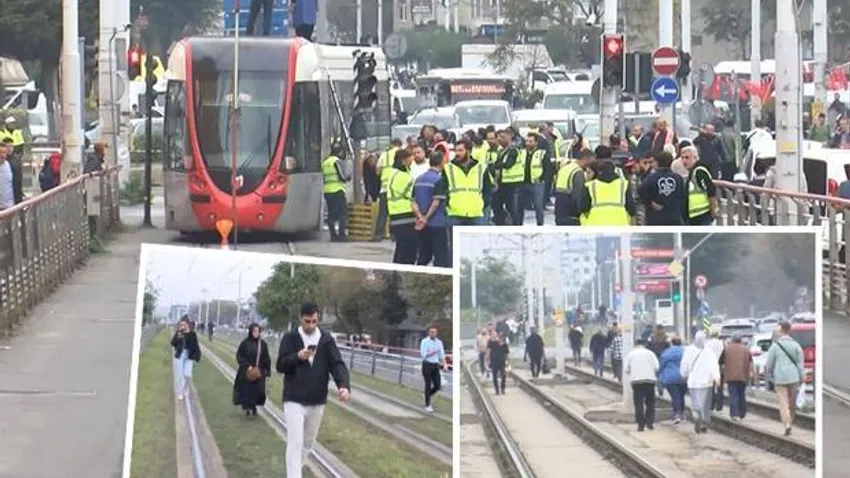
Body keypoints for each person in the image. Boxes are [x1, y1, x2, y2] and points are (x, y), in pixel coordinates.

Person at [277, 302, 350, 478]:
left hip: (317, 399)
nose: (310, 325)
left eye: (314, 321)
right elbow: (281, 365)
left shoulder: (326, 340)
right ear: (300, 318)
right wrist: (297, 357)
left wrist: (343, 385)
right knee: (295, 442)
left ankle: (295, 470)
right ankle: (293, 475)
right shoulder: (290, 338)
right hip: (294, 398)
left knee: (308, 443)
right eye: (307, 321)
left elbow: (337, 364)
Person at [765, 321, 805, 436]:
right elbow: (800, 362)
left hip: (780, 378)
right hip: (794, 377)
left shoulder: (775, 346)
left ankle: (787, 424)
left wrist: (770, 374)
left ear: (781, 330)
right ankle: (791, 422)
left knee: (783, 403)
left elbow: (769, 364)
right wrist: (802, 376)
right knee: (792, 402)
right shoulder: (796, 345)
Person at [412, 151, 449, 267]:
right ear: (442, 162)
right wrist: (426, 218)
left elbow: (413, 202)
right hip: (437, 224)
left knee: (423, 256)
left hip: (421, 225)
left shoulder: (418, 179)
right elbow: (436, 202)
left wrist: (420, 217)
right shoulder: (439, 180)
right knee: (441, 258)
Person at [680, 331, 721, 434]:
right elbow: (714, 366)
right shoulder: (709, 351)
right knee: (705, 404)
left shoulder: (688, 350)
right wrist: (717, 377)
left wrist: (683, 374)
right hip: (706, 382)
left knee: (695, 403)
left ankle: (696, 415)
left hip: (693, 382)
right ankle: (704, 421)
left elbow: (684, 365)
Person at [578, 159, 636, 226]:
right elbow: (631, 208)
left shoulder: (590, 186)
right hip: (619, 224)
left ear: (599, 171)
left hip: (595, 224)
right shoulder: (624, 184)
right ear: (614, 170)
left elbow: (583, 207)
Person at [638, 150, 686, 225]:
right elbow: (683, 197)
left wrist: (650, 203)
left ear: (657, 163)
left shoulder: (651, 178)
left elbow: (640, 191)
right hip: (675, 218)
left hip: (656, 219)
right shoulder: (678, 178)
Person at [386, 149, 417, 264]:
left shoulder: (392, 173)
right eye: (410, 157)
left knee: (400, 249)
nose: (412, 160)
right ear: (404, 160)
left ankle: (395, 275)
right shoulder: (404, 177)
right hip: (406, 215)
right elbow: (412, 197)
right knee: (408, 251)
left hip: (394, 215)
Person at [233, 323, 272, 416]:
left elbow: (266, 358)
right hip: (246, 371)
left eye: (258, 331)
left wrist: (268, 370)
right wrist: (247, 365)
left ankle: (253, 406)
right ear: (251, 331)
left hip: (259, 371)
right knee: (247, 390)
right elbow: (239, 355)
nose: (256, 333)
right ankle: (247, 408)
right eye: (254, 331)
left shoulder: (262, 344)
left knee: (258, 390)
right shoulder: (245, 343)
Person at [625, 338, 660, 431]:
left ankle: (641, 425)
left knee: (638, 403)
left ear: (635, 344)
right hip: (649, 381)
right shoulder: (650, 353)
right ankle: (650, 423)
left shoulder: (631, 354)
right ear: (644, 344)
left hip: (636, 382)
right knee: (650, 402)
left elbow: (626, 369)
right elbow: (657, 367)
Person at [719, 334, 754, 421]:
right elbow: (751, 360)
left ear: (732, 340)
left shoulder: (727, 349)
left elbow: (720, 361)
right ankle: (742, 413)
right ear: (740, 340)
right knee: (742, 394)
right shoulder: (746, 349)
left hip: (731, 376)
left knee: (733, 395)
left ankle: (734, 414)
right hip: (743, 376)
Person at [553, 148, 593, 225]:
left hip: (559, 208)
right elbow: (579, 195)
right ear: (585, 158)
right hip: (571, 212)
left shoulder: (565, 168)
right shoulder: (578, 172)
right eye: (590, 161)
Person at [373, 139, 402, 241]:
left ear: (392, 144)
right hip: (398, 188)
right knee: (395, 213)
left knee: (383, 213)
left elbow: (377, 170)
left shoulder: (384, 155)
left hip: (384, 188)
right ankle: (394, 234)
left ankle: (378, 235)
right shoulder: (402, 154)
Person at [680, 145, 717, 225]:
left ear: (695, 158)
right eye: (682, 158)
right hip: (693, 217)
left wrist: (713, 212)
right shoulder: (692, 172)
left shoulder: (699, 172)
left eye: (687, 158)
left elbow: (711, 192)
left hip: (702, 217)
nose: (684, 161)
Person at [493, 129, 523, 225]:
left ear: (509, 137)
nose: (499, 139)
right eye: (498, 137)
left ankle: (515, 226)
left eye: (502, 137)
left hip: (513, 184)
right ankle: (502, 222)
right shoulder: (501, 151)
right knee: (496, 205)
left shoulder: (513, 150)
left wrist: (496, 164)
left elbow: (508, 164)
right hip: (502, 183)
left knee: (512, 208)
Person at [321, 142, 350, 242]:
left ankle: (333, 235)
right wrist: (348, 177)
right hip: (337, 190)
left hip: (327, 191)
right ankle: (342, 235)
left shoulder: (325, 163)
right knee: (343, 213)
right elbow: (342, 176)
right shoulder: (336, 161)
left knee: (331, 214)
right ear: (340, 152)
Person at [170, 316, 201, 400]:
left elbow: (196, 346)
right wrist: (178, 335)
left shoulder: (192, 334)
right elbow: (173, 343)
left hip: (189, 356)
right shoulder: (179, 333)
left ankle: (185, 387)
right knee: (179, 375)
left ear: (188, 324)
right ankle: (180, 392)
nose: (183, 326)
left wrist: (197, 357)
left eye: (184, 324)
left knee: (187, 374)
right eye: (181, 324)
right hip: (180, 355)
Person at [419, 325, 447, 413]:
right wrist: (433, 352)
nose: (433, 333)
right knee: (428, 384)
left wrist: (445, 364)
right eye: (431, 332)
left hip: (435, 365)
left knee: (438, 385)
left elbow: (441, 354)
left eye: (434, 332)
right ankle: (427, 405)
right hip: (427, 364)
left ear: (436, 333)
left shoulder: (439, 343)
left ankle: (427, 395)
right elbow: (423, 355)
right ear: (429, 333)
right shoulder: (424, 342)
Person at [659, 335, 686, 423]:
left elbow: (661, 366)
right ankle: (681, 413)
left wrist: (660, 381)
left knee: (675, 396)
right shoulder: (685, 351)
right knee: (681, 395)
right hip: (684, 377)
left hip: (670, 377)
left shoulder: (666, 353)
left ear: (671, 343)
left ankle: (677, 414)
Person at [0, 142, 21, 211]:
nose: (2, 155)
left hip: (10, 207)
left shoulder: (10, 166)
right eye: (0, 152)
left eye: (4, 152)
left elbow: (16, 185)